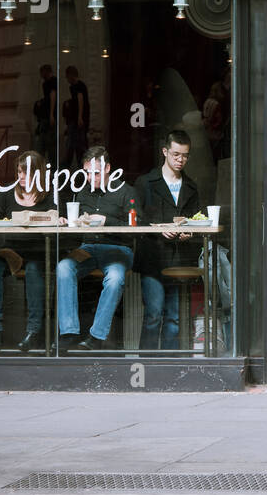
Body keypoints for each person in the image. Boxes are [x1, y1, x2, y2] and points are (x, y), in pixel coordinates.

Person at [56, 146, 136, 351]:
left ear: (108, 168)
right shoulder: (82, 194)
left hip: (117, 248)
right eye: (87, 173)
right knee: (64, 267)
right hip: (88, 247)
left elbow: (136, 229)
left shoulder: (126, 192)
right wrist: (68, 222)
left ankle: (96, 336)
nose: (91, 178)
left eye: (96, 173)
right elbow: (76, 224)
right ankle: (69, 332)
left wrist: (106, 221)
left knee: (115, 278)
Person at [134, 130, 203, 351]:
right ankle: (147, 364)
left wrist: (189, 232)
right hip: (153, 256)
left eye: (184, 155)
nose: (180, 160)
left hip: (179, 259)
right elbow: (136, 220)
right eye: (175, 154)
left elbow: (198, 220)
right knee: (153, 314)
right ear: (165, 152)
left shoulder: (191, 187)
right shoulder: (145, 182)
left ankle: (170, 367)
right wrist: (159, 231)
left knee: (174, 318)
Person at [0, 150, 52, 354]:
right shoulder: (7, 195)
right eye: (19, 172)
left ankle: (33, 332)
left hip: (36, 251)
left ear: (38, 174)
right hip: (10, 252)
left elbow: (59, 216)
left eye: (26, 172)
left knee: (34, 271)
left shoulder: (48, 196)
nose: (21, 177)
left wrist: (55, 217)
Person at [62, 65, 89, 168]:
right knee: (77, 145)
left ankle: (79, 166)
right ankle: (79, 166)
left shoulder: (78, 86)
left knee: (77, 145)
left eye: (67, 77)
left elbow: (80, 99)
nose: (67, 79)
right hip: (76, 120)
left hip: (77, 121)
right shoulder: (75, 86)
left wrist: (79, 117)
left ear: (71, 76)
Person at [33, 65, 58, 164]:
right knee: (44, 144)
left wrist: (51, 114)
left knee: (48, 144)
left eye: (42, 73)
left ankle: (50, 167)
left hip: (48, 117)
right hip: (45, 118)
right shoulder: (46, 83)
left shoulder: (51, 82)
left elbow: (53, 96)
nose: (41, 75)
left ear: (46, 72)